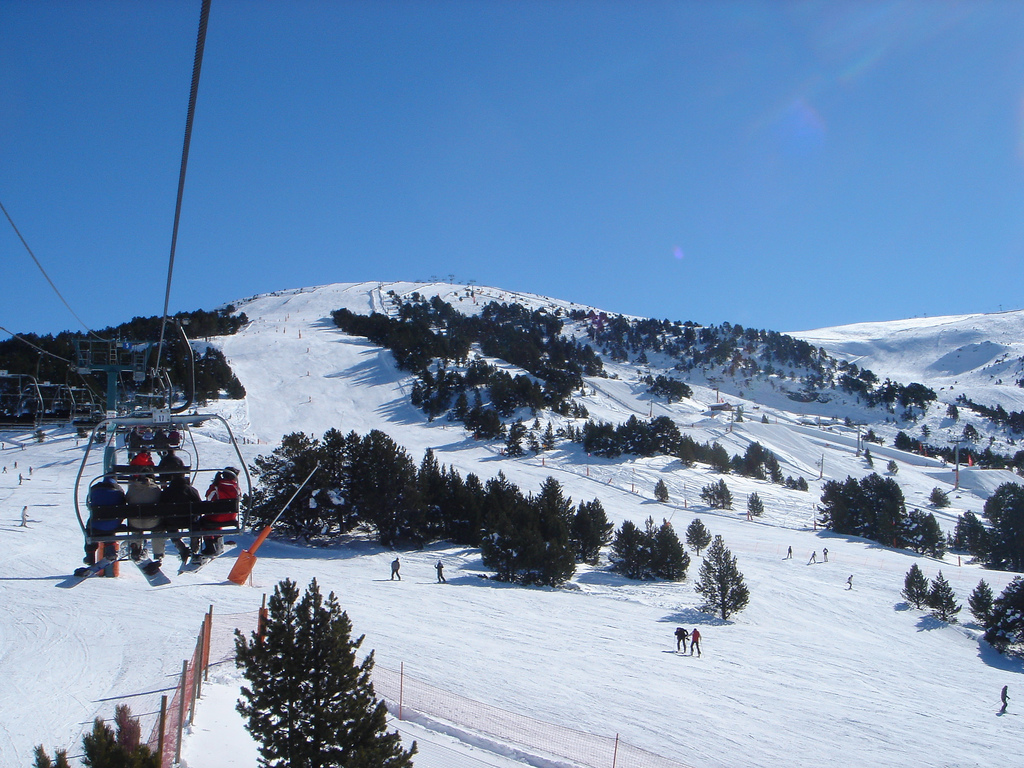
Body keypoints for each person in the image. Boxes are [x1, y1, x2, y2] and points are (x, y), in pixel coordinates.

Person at [198, 467, 241, 556]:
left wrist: (214, 484)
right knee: (216, 521)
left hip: (217, 516)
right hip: (231, 516)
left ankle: (210, 545)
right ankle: (218, 542)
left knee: (205, 522)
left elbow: (208, 497)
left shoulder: (218, 486)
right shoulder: (236, 488)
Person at [160, 472, 202, 563]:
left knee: (167, 523)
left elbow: (161, 507)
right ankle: (194, 546)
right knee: (195, 522)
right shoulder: (191, 490)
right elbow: (199, 506)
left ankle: (179, 545)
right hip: (189, 520)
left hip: (172, 522)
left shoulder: (166, 492)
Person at [85, 475, 125, 566]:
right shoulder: (119, 491)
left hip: (96, 524)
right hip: (113, 524)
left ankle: (90, 555)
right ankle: (110, 549)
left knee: (90, 528)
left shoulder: (95, 488)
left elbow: (88, 502)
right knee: (110, 524)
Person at [126, 472, 164, 563]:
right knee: (158, 529)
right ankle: (158, 554)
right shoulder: (155, 489)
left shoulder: (132, 488)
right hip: (152, 522)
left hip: (135, 522)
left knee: (135, 526)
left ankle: (136, 547)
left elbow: (127, 499)